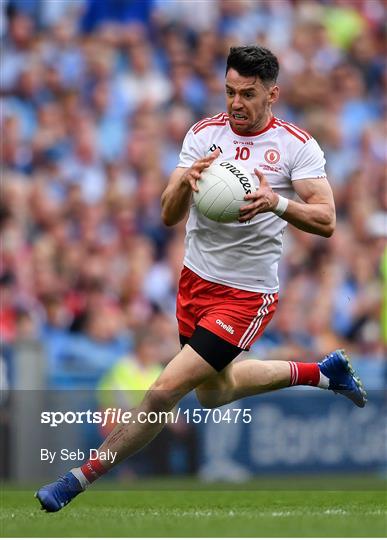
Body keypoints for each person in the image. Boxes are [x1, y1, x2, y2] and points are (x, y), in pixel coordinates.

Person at [36, 45, 367, 512]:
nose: (236, 103)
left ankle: (75, 479)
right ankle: (323, 373)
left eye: (248, 94)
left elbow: (327, 219)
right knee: (214, 394)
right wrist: (181, 182)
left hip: (246, 295)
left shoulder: (296, 146)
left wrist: (277, 203)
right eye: (230, 91)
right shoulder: (202, 134)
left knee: (163, 390)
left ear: (273, 94)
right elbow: (169, 216)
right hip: (195, 283)